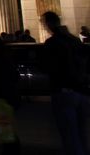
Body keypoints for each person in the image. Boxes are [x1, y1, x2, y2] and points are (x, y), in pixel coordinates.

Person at [41, 10, 89, 155]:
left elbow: (46, 66)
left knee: (70, 135)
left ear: (48, 24)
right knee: (81, 134)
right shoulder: (74, 40)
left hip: (64, 92)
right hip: (81, 90)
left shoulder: (52, 43)